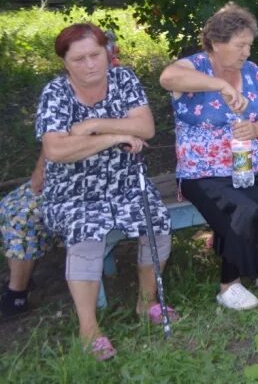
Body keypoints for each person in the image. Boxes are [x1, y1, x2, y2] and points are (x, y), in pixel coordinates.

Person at [160, 3, 258, 311]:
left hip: (254, 158)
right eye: (240, 45)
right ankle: (228, 286)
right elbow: (168, 78)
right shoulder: (194, 67)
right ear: (217, 44)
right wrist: (219, 84)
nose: (247, 52)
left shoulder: (252, 71)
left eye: (249, 44)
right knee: (246, 208)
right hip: (204, 171)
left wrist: (257, 127)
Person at [36, 23, 173, 360]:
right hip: (72, 192)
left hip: (125, 184)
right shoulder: (56, 93)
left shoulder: (123, 80)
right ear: (65, 63)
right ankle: (89, 328)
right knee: (86, 233)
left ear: (106, 53)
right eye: (78, 58)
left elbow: (145, 127)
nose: (89, 64)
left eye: (95, 55)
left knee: (157, 221)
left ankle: (147, 303)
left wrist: (93, 125)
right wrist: (112, 137)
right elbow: (55, 150)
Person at [0, 149, 56, 319]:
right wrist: (40, 168)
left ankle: (17, 296)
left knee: (22, 214)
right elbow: (51, 139)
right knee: (10, 204)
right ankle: (22, 277)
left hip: (93, 182)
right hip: (60, 175)